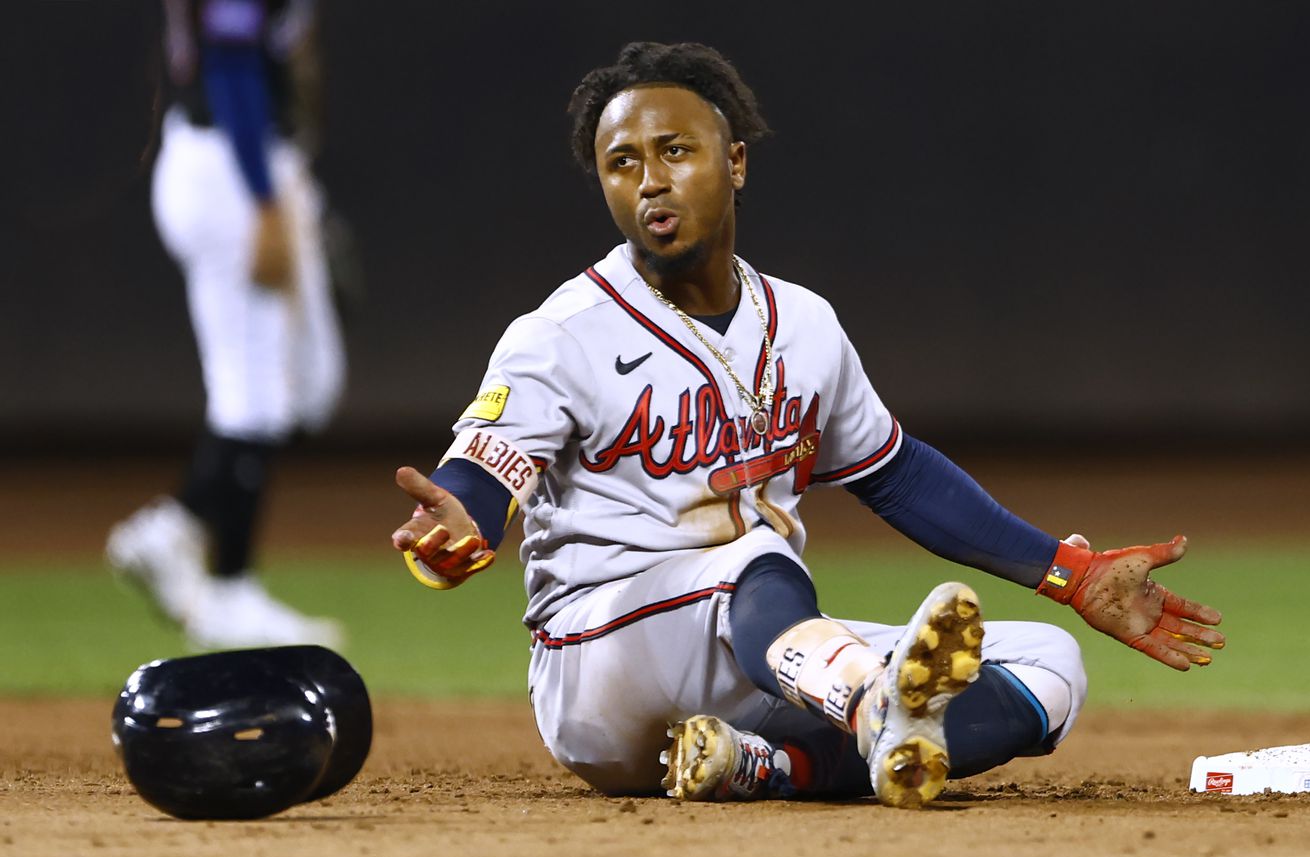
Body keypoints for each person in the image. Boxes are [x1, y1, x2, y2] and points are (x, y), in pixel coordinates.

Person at [389, 41, 1225, 808]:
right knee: (751, 555)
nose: (648, 179)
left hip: (768, 653)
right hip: (600, 661)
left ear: (737, 162)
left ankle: (764, 766)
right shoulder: (562, 333)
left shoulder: (805, 324)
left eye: (674, 151)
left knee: (1049, 666)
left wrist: (1068, 575)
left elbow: (896, 474)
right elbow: (480, 473)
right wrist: (457, 519)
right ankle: (872, 705)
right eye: (621, 163)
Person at [107, 0, 345, 651]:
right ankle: (231, 589)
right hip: (236, 166)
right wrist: (265, 197)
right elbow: (232, 61)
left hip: (244, 159)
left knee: (305, 384)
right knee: (256, 394)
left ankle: (172, 527)